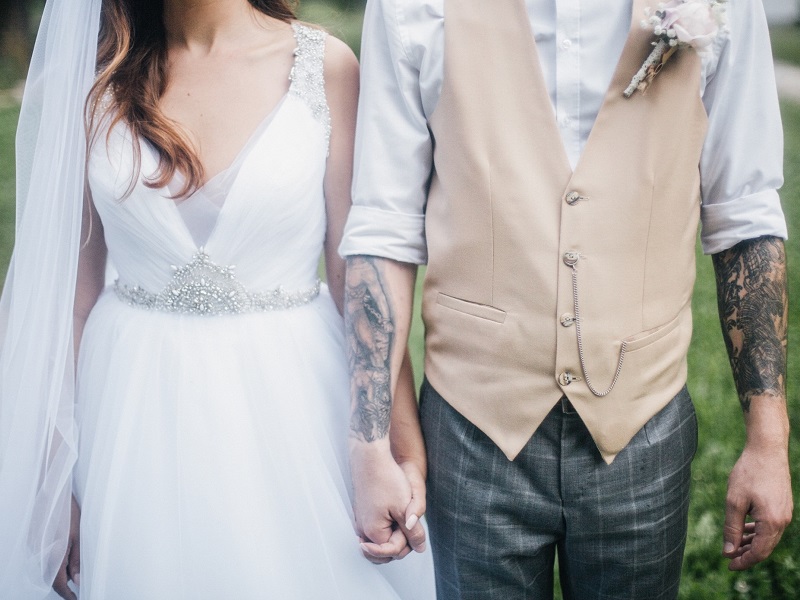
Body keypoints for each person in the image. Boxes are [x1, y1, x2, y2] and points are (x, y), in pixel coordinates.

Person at [340, 0, 792, 598]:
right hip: (471, 429)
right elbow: (383, 228)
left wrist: (767, 440)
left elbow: (745, 216)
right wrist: (371, 443)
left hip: (644, 424)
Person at [0, 0, 436, 598]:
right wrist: (49, 485)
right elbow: (68, 299)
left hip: (293, 403)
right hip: (126, 415)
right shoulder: (95, 77)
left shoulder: (324, 68)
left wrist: (397, 448)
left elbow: (359, 282)